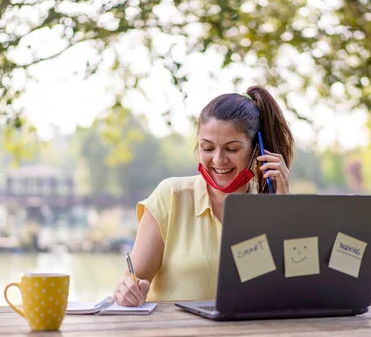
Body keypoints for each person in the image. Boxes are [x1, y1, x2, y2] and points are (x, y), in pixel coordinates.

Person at [113, 85, 294, 306]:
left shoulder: (270, 205)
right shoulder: (170, 197)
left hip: (248, 336)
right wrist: (127, 289)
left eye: (232, 149)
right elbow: (134, 278)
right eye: (207, 148)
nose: (218, 160)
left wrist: (282, 206)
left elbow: (288, 288)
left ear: (257, 150)